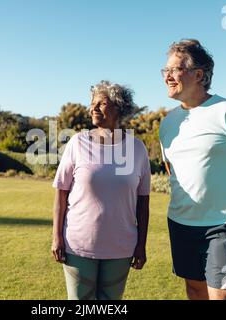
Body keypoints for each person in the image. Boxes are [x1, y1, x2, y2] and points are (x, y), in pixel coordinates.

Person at [159, 39, 226, 300]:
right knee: (195, 291)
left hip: (223, 227)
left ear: (199, 75)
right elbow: (171, 169)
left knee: (223, 297)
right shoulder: (168, 122)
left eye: (174, 70)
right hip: (181, 223)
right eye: (165, 71)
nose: (167, 77)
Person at [51, 80, 151, 300]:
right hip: (79, 245)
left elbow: (143, 202)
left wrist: (141, 245)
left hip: (121, 247)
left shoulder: (137, 148)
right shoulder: (77, 143)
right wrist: (56, 236)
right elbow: (61, 192)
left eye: (102, 103)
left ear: (118, 108)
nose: (93, 108)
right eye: (92, 103)